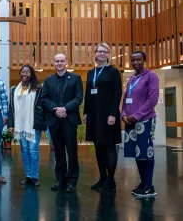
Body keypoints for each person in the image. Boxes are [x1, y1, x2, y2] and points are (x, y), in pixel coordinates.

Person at [41, 53, 83, 193]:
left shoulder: (76, 78)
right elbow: (44, 98)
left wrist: (65, 108)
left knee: (72, 151)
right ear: (53, 63)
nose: (59, 63)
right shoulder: (48, 80)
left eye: (62, 61)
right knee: (58, 152)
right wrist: (55, 110)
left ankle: (72, 182)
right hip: (54, 120)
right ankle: (60, 179)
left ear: (66, 62)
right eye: (57, 61)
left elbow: (78, 98)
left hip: (69, 119)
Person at [84, 42, 122, 191]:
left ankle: (111, 181)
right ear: (95, 54)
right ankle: (102, 178)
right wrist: (86, 112)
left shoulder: (113, 72)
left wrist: (113, 114)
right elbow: (88, 93)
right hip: (94, 115)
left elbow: (117, 94)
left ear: (108, 55)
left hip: (108, 115)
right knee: (98, 146)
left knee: (109, 146)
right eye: (99, 51)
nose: (101, 54)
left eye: (105, 52)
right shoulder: (91, 72)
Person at [121, 51, 159, 198]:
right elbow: (126, 98)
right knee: (138, 153)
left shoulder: (151, 76)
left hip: (145, 120)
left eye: (138, 59)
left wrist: (136, 116)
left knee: (146, 152)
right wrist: (124, 114)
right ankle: (143, 183)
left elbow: (152, 100)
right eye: (133, 60)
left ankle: (149, 186)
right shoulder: (132, 78)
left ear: (144, 60)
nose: (135, 62)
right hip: (130, 121)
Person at [7, 65, 46, 187]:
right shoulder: (14, 89)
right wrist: (11, 125)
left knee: (33, 150)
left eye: (27, 72)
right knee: (24, 150)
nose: (24, 74)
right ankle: (28, 175)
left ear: (32, 74)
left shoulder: (39, 88)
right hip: (20, 125)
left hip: (33, 125)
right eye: (22, 72)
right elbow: (11, 109)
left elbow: (42, 107)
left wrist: (41, 122)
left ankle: (35, 176)